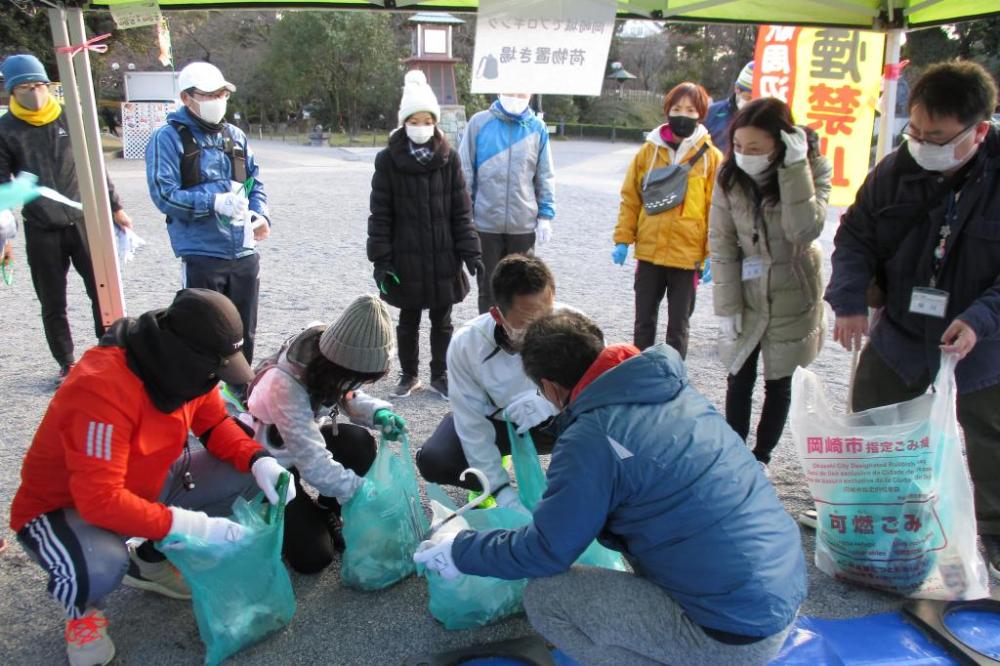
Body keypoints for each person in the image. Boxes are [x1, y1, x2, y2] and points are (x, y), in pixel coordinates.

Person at [415, 311, 805, 665]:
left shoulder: (591, 437)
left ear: (549, 388)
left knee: (547, 597)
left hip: (730, 636)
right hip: (780, 593)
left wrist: (460, 551)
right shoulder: (672, 390)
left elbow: (547, 552)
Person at [8, 288, 294, 666]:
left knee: (244, 477)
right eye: (216, 366)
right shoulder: (101, 387)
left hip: (144, 481)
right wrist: (196, 527)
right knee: (102, 564)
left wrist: (259, 461)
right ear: (185, 357)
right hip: (64, 510)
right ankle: (83, 613)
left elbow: (214, 423)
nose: (217, 377)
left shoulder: (185, 370)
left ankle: (150, 560)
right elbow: (99, 501)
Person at [825, 61, 1000, 579]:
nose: (923, 144)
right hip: (901, 330)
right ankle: (876, 520)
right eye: (916, 131)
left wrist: (980, 320)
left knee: (988, 435)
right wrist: (850, 299)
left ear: (980, 131)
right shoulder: (896, 169)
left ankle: (993, 531)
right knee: (875, 423)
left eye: (938, 136)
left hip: (980, 341)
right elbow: (855, 235)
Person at [246, 294, 408, 574]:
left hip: (301, 440)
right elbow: (313, 463)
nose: (360, 383)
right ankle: (274, 513)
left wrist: (377, 413)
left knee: (359, 444)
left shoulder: (329, 355)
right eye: (361, 376)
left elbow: (347, 393)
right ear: (341, 366)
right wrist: (359, 491)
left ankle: (324, 510)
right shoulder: (284, 385)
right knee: (314, 558)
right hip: (270, 460)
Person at [710, 98, 831, 467]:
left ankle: (761, 457)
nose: (745, 155)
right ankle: (733, 454)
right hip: (747, 290)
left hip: (794, 290)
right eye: (740, 146)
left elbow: (804, 229)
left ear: (781, 143)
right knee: (739, 374)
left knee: (779, 381)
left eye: (756, 148)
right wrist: (727, 307)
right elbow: (722, 242)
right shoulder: (730, 177)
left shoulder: (813, 169)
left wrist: (795, 169)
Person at [0, 54, 134, 381]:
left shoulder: (70, 118)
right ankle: (66, 361)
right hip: (41, 225)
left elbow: (96, 168)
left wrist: (115, 207)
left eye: (40, 86)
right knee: (52, 298)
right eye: (26, 88)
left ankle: (111, 352)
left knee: (102, 290)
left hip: (83, 219)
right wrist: (5, 234)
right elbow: (2, 185)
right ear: (12, 92)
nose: (35, 93)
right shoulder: (6, 129)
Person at [146, 61, 270, 396]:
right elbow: (164, 194)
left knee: (244, 329)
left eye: (221, 94)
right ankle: (202, 400)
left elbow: (254, 182)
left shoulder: (236, 136)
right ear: (187, 98)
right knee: (202, 329)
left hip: (244, 251)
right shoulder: (168, 138)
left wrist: (260, 215)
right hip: (202, 252)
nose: (218, 100)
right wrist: (213, 201)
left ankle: (242, 397)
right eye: (209, 95)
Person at [367, 70, 482, 399]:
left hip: (443, 254)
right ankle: (409, 373)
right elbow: (380, 214)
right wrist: (381, 260)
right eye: (414, 120)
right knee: (408, 318)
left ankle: (440, 373)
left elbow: (461, 211)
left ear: (435, 121)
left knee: (443, 318)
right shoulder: (388, 160)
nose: (421, 126)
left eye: (426, 119)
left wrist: (470, 252)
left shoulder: (449, 158)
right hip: (406, 255)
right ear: (404, 123)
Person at [416, 255, 562, 509]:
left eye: (547, 314)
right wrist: (500, 489)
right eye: (528, 322)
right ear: (497, 315)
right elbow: (471, 423)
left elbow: (601, 413)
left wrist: (550, 405)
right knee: (435, 460)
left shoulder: (576, 328)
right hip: (496, 423)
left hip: (553, 426)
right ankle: (486, 483)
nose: (542, 328)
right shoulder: (467, 344)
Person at [613, 81, 722, 358]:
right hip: (649, 252)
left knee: (679, 327)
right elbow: (631, 197)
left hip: (687, 257)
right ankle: (639, 372)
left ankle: (671, 378)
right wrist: (624, 239)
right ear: (667, 110)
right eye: (677, 108)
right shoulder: (649, 152)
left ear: (701, 114)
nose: (683, 114)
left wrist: (713, 252)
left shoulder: (712, 158)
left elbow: (717, 209)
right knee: (643, 323)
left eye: (690, 109)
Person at [458, 92, 556, 314]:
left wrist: (545, 216)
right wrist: (466, 213)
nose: (516, 95)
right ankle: (489, 338)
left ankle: (519, 339)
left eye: (521, 90)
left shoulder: (537, 128)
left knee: (523, 288)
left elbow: (544, 174)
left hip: (522, 224)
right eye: (510, 89)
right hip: (485, 224)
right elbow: (465, 171)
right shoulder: (479, 123)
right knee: (489, 289)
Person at [705, 61, 755, 153]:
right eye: (748, 97)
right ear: (737, 89)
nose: (753, 103)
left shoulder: (765, 119)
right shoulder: (712, 112)